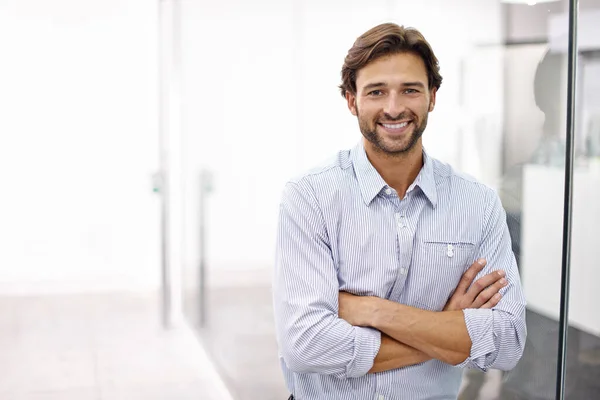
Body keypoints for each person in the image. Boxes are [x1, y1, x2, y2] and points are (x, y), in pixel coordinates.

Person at [272, 23, 527, 400]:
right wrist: (446, 330)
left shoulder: (478, 204)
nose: (394, 108)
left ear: (432, 97)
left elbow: (508, 340)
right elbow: (306, 344)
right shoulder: (309, 197)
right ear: (351, 100)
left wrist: (374, 311)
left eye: (410, 90)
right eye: (376, 92)